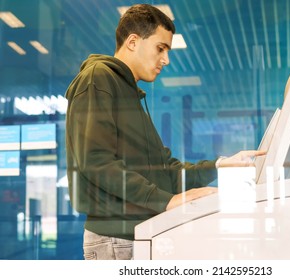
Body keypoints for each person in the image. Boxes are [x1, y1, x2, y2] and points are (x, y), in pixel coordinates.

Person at [65, 3, 264, 260]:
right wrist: (166, 201)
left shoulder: (130, 94)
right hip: (116, 240)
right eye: (161, 48)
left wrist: (220, 166)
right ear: (133, 42)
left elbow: (166, 171)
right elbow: (95, 163)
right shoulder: (98, 79)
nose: (166, 60)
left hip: (135, 235)